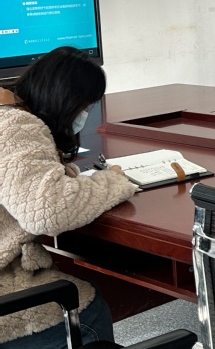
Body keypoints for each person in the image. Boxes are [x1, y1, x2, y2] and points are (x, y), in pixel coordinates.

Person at [0, 47, 137, 348]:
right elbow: (47, 212)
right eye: (85, 106)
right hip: (5, 297)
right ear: (66, 101)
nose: (85, 115)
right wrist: (113, 181)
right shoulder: (16, 127)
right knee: (90, 310)